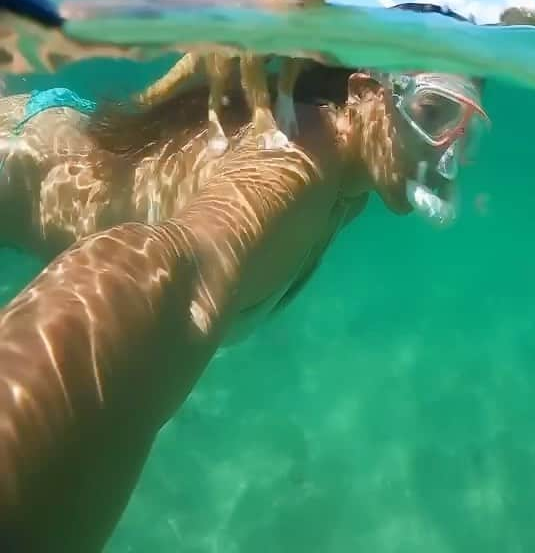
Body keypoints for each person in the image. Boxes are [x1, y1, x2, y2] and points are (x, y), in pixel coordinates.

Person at [0, 59, 487, 551]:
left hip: (64, 133)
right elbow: (165, 275)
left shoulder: (353, 179)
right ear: (365, 92)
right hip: (24, 149)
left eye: (466, 133)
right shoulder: (299, 168)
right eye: (434, 112)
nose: (448, 150)